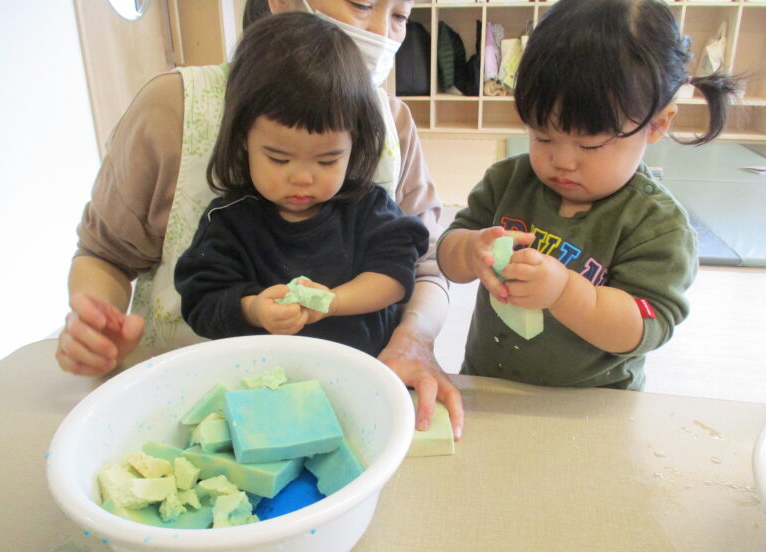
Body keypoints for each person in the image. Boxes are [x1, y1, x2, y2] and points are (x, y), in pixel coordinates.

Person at [55, 0, 464, 439]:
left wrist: (406, 334)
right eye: (362, 2)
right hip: (202, 400)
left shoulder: (379, 169)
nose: (382, 31)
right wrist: (98, 325)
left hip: (353, 397)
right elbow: (125, 263)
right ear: (241, 140)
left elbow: (413, 266)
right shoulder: (224, 208)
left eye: (401, 17)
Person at [436, 0, 741, 390]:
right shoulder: (508, 181)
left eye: (591, 145)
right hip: (491, 386)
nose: (561, 161)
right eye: (542, 136)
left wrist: (564, 291)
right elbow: (448, 250)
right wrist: (469, 250)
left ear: (657, 124)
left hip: (594, 408)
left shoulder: (655, 225)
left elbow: (645, 326)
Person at [174, 12, 429, 358]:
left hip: (361, 373)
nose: (302, 178)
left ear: (354, 146)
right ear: (243, 139)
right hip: (261, 381)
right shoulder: (228, 221)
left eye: (327, 161)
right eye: (279, 159)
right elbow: (201, 303)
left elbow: (396, 276)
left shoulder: (368, 206)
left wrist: (332, 302)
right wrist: (253, 309)